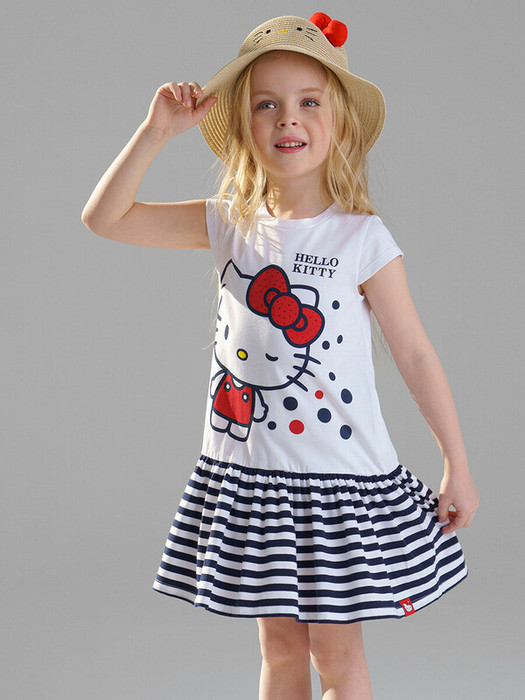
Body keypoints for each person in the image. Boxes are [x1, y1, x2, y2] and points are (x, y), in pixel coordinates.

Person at [81, 12, 479, 700]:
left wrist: (456, 464)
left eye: (308, 102)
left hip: (337, 485)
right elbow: (105, 218)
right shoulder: (229, 221)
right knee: (279, 649)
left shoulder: (361, 238)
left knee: (337, 655)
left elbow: (415, 354)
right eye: (266, 104)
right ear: (243, 125)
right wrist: (155, 134)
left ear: (338, 123)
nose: (287, 118)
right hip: (256, 481)